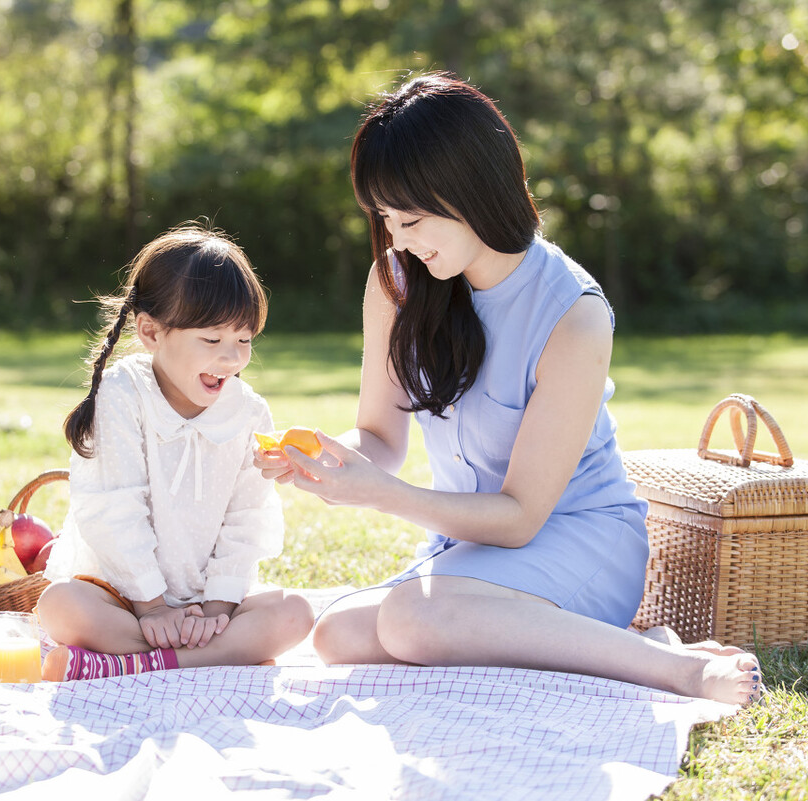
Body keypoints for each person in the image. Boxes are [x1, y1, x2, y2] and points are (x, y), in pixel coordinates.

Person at [256, 73, 762, 706]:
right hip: (471, 542)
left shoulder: (571, 315)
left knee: (413, 620)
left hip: (578, 537)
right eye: (386, 220)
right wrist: (332, 461)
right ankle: (602, 642)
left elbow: (522, 517)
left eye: (410, 220)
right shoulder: (396, 282)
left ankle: (673, 668)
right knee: (339, 636)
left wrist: (384, 496)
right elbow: (381, 438)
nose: (397, 240)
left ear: (469, 191)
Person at [37, 222, 314, 681]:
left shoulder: (248, 413)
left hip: (208, 603)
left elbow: (246, 517)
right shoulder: (125, 392)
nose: (231, 359)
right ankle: (216, 657)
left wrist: (214, 611)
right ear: (150, 332)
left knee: (295, 614)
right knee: (61, 606)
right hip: (122, 594)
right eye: (211, 340)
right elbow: (113, 506)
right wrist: (152, 607)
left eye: (244, 340)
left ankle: (133, 664)